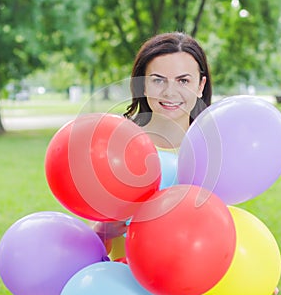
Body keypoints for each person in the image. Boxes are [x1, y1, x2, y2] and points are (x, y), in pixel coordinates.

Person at [91, 31, 212, 259]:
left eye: (183, 80)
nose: (170, 92)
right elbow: (97, 241)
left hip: (190, 284)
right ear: (143, 85)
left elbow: (221, 228)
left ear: (200, 86)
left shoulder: (211, 152)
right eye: (158, 80)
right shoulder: (120, 148)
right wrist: (102, 232)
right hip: (126, 282)